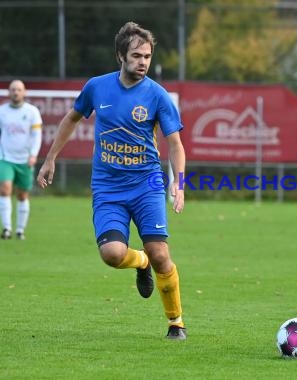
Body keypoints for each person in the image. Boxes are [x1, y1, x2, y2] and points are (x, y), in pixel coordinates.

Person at [36, 22, 187, 340]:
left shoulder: (157, 96)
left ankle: (176, 322)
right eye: (136, 55)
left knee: (161, 253)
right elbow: (71, 119)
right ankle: (140, 261)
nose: (143, 62)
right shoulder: (97, 87)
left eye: (147, 55)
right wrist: (50, 159)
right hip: (108, 188)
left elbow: (174, 144)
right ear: (121, 56)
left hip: (147, 185)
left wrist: (179, 183)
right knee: (113, 255)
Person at [0, 80, 43, 240]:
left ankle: (19, 230)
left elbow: (36, 135)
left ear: (24, 92)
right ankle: (6, 229)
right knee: (4, 189)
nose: (16, 92)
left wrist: (33, 154)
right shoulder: (2, 111)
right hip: (5, 158)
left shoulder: (32, 112)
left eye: (19, 90)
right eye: (13, 90)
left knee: (22, 195)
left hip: (25, 159)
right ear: (8, 92)